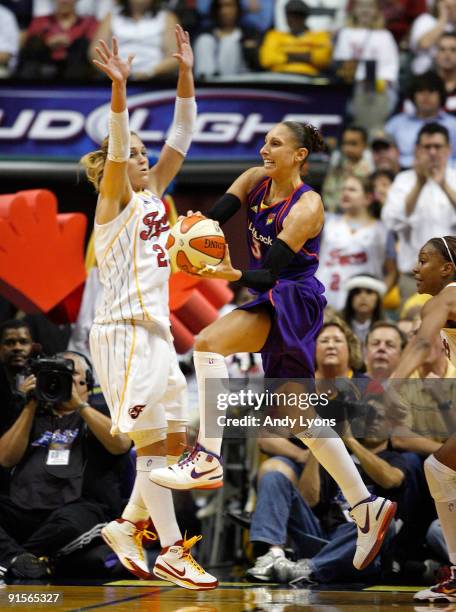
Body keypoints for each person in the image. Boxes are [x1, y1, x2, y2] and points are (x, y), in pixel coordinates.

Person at [150, 119, 396, 572]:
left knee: (207, 341)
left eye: (276, 144)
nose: (266, 150)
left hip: (295, 297)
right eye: (265, 141)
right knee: (295, 416)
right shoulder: (253, 179)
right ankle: (366, 506)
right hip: (272, 294)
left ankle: (207, 455)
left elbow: (272, 272)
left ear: (299, 155)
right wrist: (182, 236)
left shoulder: (309, 207)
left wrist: (225, 273)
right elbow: (212, 220)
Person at [80, 30, 217, 590]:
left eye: (143, 152)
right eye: (135, 153)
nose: (141, 157)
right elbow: (116, 148)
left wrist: (186, 72)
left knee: (171, 447)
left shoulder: (154, 195)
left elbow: (183, 133)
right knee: (152, 446)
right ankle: (169, 548)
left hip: (155, 333)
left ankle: (126, 526)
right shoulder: (111, 204)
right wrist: (120, 90)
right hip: (123, 333)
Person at [0, 351, 132, 579]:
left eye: (69, 374)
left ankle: (16, 558)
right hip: (25, 508)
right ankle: (22, 560)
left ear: (87, 382)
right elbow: (5, 458)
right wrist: (30, 406)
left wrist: (80, 405)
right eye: (51, 375)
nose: (59, 380)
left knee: (70, 525)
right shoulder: (30, 414)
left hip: (80, 508)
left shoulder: (102, 411)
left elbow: (121, 444)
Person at [387, 235, 456, 603]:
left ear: (447, 268)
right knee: (441, 469)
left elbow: (418, 344)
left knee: (440, 470)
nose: (415, 268)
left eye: (424, 260)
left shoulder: (444, 298)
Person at [382, 123, 456, 302]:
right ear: (417, 150)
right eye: (427, 147)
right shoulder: (403, 181)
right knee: (413, 329)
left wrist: (443, 185)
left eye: (437, 146)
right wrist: (419, 184)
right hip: (413, 278)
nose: (432, 152)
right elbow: (390, 221)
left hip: (453, 279)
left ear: (448, 149)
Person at [317, 174, 397, 311]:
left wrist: (379, 294)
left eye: (352, 190)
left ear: (368, 198)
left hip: (361, 306)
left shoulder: (383, 231)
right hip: (323, 299)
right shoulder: (327, 222)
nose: (345, 193)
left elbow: (392, 271)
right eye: (343, 189)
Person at [89, 0, 179, 80]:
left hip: (156, 80)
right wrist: (113, 70)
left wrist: (149, 73)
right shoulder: (111, 16)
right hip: (115, 78)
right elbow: (95, 52)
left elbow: (175, 57)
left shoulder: (167, 17)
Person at [384, 71, 456, 168]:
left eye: (431, 92)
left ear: (441, 96)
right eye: (421, 91)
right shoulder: (396, 124)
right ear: (413, 96)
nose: (426, 96)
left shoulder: (453, 125)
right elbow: (382, 153)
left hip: (447, 175)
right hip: (403, 174)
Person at [259, 0, 332, 76]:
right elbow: (267, 60)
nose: (294, 19)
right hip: (280, 77)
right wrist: (306, 56)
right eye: (290, 15)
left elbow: (323, 60)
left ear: (305, 17)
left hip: (309, 78)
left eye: (299, 15)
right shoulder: (274, 35)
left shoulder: (320, 36)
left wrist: (286, 54)